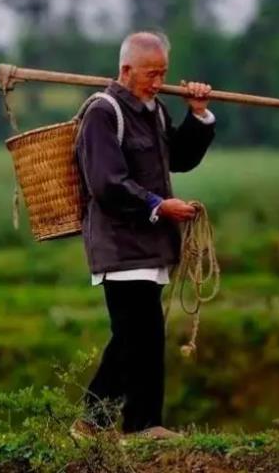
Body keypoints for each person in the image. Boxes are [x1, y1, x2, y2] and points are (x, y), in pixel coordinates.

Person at [73, 31, 215, 439]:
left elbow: (181, 159)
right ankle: (138, 425)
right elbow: (106, 183)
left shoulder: (154, 110)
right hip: (119, 244)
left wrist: (199, 114)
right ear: (125, 70)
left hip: (151, 245)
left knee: (136, 337)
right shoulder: (104, 112)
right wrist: (158, 205)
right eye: (150, 74)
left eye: (162, 74)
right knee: (139, 336)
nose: (157, 83)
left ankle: (100, 423)